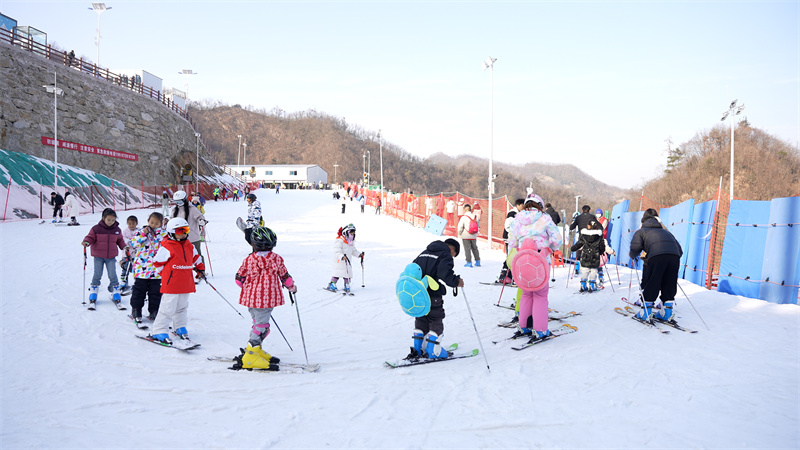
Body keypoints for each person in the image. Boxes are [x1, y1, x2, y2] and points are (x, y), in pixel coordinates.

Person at [233, 227, 297, 371]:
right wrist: (292, 287)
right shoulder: (276, 259)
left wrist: (252, 289)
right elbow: (285, 277)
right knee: (262, 327)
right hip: (267, 300)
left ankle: (256, 350)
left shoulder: (249, 259)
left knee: (258, 324)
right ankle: (250, 355)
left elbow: (238, 279)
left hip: (251, 299)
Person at [507, 194, 562, 341]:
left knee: (526, 293)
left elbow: (512, 242)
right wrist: (550, 247)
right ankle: (540, 329)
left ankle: (524, 326)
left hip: (522, 260)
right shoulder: (544, 218)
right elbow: (557, 240)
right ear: (540, 205)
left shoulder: (517, 219)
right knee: (540, 295)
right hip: (540, 260)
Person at [149, 217, 205, 344]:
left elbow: (196, 258)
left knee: (182, 306)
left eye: (186, 230)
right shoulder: (167, 247)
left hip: (186, 282)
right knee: (168, 308)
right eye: (180, 231)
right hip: (172, 283)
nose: (184, 233)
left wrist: (200, 269)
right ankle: (158, 330)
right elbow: (157, 263)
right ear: (171, 233)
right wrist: (167, 274)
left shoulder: (189, 245)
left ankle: (179, 327)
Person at [407, 238, 464, 359]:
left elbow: (412, 270)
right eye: (453, 255)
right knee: (436, 319)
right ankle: (433, 350)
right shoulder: (445, 255)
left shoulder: (424, 253)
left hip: (418, 294)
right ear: (452, 249)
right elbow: (445, 273)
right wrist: (456, 282)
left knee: (421, 318)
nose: (452, 257)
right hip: (433, 295)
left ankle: (417, 349)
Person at [628, 208, 683, 322]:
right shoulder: (666, 231)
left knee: (653, 281)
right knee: (669, 282)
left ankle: (645, 312)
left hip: (656, 256)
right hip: (674, 256)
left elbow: (635, 248)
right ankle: (666, 312)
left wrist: (632, 255)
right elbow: (680, 250)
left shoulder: (641, 231)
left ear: (643, 222)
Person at [81, 208, 128, 307]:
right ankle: (93, 294)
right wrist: (86, 241)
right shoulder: (96, 229)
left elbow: (120, 240)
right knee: (97, 274)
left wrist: (124, 246)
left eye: (113, 220)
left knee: (112, 275)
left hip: (111, 257)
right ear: (103, 218)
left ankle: (115, 292)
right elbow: (90, 237)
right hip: (98, 256)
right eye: (109, 220)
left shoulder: (117, 230)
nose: (111, 222)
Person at [129, 212, 167, 322]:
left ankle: (154, 311)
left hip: (157, 270)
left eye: (156, 223)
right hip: (142, 268)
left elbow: (167, 246)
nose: (153, 225)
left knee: (156, 291)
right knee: (139, 290)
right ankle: (136, 310)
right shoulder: (140, 232)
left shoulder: (164, 234)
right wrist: (143, 234)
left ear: (161, 223)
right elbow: (133, 244)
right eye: (152, 222)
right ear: (148, 221)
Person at [172, 191, 207, 276]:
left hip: (192, 237)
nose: (178, 204)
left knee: (197, 255)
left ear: (184, 199)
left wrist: (201, 221)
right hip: (179, 237)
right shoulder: (175, 210)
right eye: (176, 202)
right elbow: (172, 220)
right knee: (180, 256)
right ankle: (182, 271)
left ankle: (201, 271)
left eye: (179, 201)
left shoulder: (192, 209)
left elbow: (200, 216)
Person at [570, 220, 605, 292]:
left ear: (588, 226)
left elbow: (579, 243)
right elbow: (602, 245)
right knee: (593, 270)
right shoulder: (599, 235)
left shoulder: (584, 234)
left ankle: (583, 285)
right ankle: (592, 285)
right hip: (595, 256)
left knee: (585, 270)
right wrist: (601, 252)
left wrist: (573, 248)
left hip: (585, 255)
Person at [327, 224, 363, 294]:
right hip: (339, 261)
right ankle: (332, 283)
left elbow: (353, 251)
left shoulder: (351, 242)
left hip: (347, 261)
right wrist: (341, 257)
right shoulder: (340, 241)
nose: (352, 235)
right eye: (351, 233)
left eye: (353, 234)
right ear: (346, 233)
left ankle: (347, 284)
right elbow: (337, 251)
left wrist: (359, 255)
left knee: (347, 274)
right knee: (337, 273)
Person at [497, 198, 526, 283]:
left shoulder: (519, 213)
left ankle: (509, 276)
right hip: (510, 238)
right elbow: (508, 226)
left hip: (515, 239)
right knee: (510, 257)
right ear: (518, 205)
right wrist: (514, 234)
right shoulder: (512, 213)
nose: (524, 207)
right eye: (522, 205)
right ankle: (504, 276)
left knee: (513, 257)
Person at [569, 205, 600, 275]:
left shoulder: (578, 217)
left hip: (582, 238)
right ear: (589, 210)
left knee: (579, 253)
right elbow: (598, 226)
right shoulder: (592, 217)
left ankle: (577, 267)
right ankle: (590, 268)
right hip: (591, 238)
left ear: (582, 210)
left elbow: (571, 227)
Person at [119, 215, 140, 292]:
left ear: (136, 223)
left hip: (136, 254)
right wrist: (128, 242)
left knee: (136, 268)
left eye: (133, 224)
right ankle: (124, 281)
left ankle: (137, 281)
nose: (131, 225)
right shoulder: (125, 231)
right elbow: (123, 238)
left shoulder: (139, 231)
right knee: (125, 267)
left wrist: (136, 243)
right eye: (130, 224)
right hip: (127, 253)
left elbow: (140, 239)